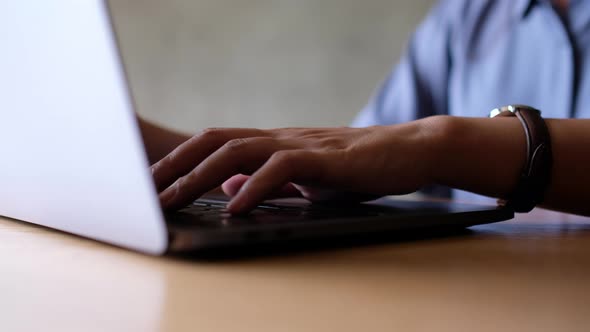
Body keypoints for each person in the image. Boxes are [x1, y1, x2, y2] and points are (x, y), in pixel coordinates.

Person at [140, 0, 590, 216]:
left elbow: (416, 146)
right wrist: (134, 144)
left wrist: (443, 144)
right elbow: (344, 160)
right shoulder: (468, 16)